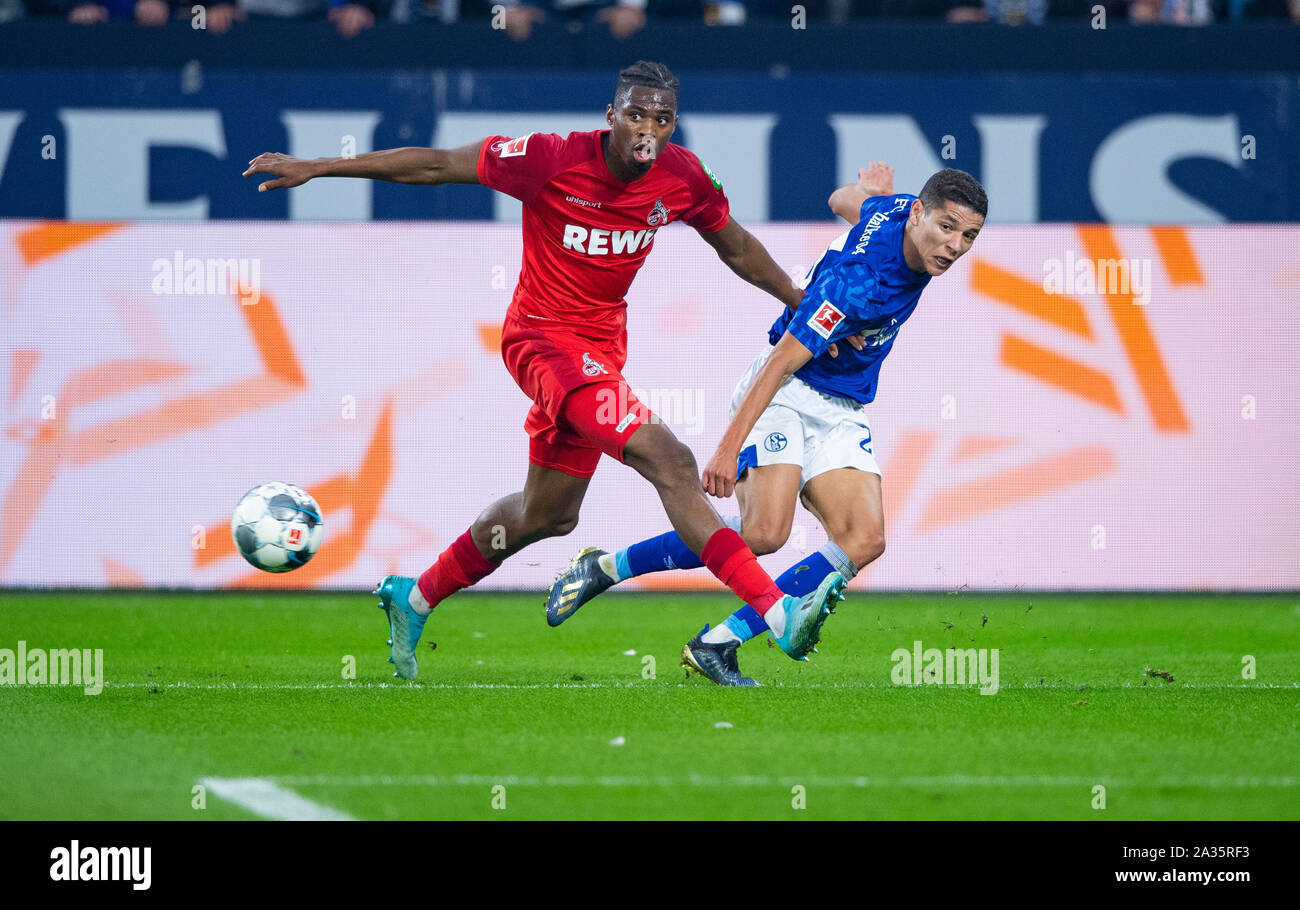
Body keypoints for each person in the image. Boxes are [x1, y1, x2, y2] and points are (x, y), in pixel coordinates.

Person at [242, 60, 849, 680]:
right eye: (636, 114)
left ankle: (415, 595)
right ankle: (777, 613)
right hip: (543, 342)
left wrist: (804, 309)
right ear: (611, 116)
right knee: (671, 462)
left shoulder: (682, 178)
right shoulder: (549, 158)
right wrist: (320, 166)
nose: (647, 129)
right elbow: (437, 164)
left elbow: (738, 248)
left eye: (662, 118)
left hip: (601, 351)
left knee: (548, 516)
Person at [545, 163, 987, 685]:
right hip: (786, 393)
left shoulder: (895, 210)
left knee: (864, 538)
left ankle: (718, 643)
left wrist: (872, 193)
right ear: (918, 214)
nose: (954, 246)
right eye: (946, 227)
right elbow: (780, 363)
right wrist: (726, 451)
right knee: (763, 533)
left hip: (840, 405)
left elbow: (842, 199)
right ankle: (606, 567)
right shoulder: (859, 285)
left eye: (968, 236)